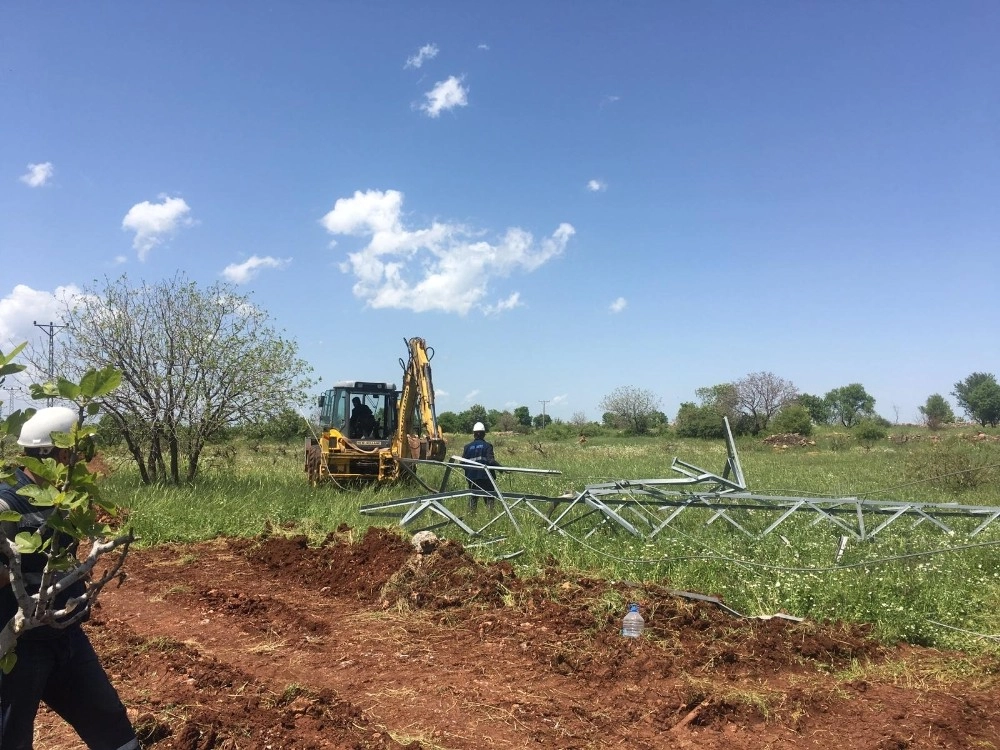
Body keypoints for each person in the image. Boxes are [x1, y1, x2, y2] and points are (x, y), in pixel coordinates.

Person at [0, 406, 140, 750]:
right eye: (77, 452)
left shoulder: (65, 499)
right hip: (20, 646)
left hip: (65, 636)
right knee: (11, 739)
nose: (84, 460)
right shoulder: (7, 503)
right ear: (61, 453)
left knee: (112, 726)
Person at [462, 422, 500, 510]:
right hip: (486, 478)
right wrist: (502, 469)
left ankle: (470, 516)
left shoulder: (467, 447)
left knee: (473, 499)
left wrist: (470, 473)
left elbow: (462, 464)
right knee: (490, 498)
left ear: (474, 434)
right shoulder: (487, 446)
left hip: (472, 479)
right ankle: (490, 517)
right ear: (484, 434)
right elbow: (491, 461)